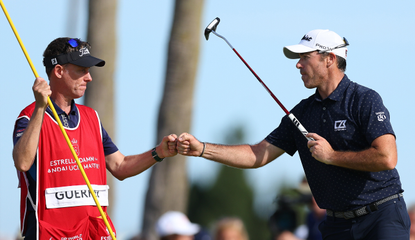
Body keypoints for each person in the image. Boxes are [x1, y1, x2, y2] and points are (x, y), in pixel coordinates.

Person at [175, 29, 410, 239]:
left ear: (329, 59)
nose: (298, 65)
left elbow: (387, 157)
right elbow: (257, 154)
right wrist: (203, 149)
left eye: (305, 57)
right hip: (338, 225)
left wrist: (331, 156)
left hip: (382, 216)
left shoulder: (364, 99)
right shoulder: (302, 113)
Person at [12, 37, 177, 240]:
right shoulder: (30, 116)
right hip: (50, 235)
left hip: (94, 234)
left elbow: (120, 166)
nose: (89, 78)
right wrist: (40, 108)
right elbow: (22, 162)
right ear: (59, 71)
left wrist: (158, 152)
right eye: (82, 70)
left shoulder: (91, 117)